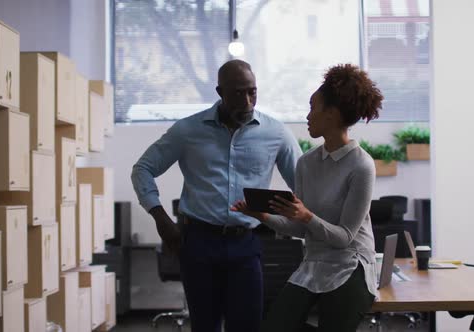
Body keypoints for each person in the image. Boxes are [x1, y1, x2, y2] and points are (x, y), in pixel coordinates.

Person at [131, 59, 302, 332]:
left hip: (246, 243)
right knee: (204, 326)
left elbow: (303, 185)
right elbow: (143, 169)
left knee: (247, 326)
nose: (247, 101)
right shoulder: (188, 130)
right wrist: (159, 216)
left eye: (252, 91)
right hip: (198, 242)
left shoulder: (276, 133)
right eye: (237, 93)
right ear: (220, 92)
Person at [231, 63, 384, 332]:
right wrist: (264, 216)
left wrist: (306, 216)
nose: (307, 115)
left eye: (313, 107)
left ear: (332, 115)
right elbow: (303, 230)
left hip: (351, 265)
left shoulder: (362, 165)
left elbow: (344, 238)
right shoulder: (306, 163)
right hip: (314, 264)